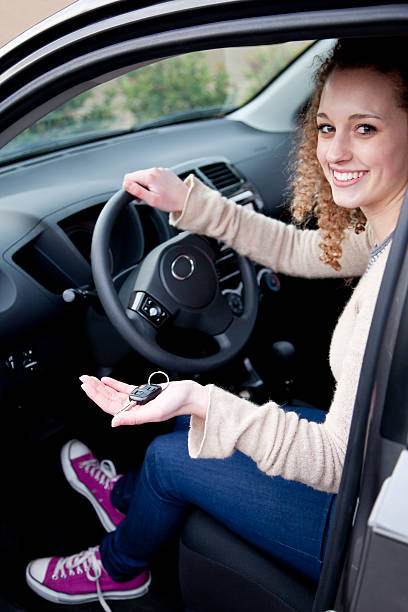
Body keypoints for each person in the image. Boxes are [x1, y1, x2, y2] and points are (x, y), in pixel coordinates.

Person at [25, 36, 408, 611]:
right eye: (327, 127)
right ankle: (129, 500)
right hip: (381, 470)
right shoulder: (391, 232)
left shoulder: (397, 277)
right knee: (186, 435)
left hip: (376, 529)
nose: (336, 152)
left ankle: (119, 567)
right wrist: (193, 205)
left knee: (169, 454)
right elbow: (305, 252)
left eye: (366, 129)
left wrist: (201, 399)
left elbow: (331, 460)